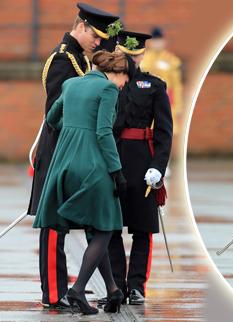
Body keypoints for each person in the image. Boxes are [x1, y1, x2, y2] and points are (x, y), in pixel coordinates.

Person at [28, 2, 119, 310]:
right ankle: (53, 293)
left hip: (74, 153)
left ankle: (97, 287)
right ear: (80, 26)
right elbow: (57, 113)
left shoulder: (80, 59)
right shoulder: (62, 60)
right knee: (54, 226)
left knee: (88, 222)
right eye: (95, 35)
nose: (99, 42)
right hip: (59, 151)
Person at [101, 30, 173, 306]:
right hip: (114, 156)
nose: (131, 59)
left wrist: (158, 167)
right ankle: (116, 284)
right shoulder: (109, 84)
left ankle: (137, 285)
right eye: (126, 54)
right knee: (111, 225)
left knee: (142, 228)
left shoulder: (154, 86)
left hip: (143, 159)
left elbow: (164, 132)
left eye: (135, 54)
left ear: (142, 54)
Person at [140, 27, 183, 136]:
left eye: (159, 40)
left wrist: (178, 106)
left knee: (166, 134)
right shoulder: (143, 60)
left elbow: (176, 86)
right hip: (147, 104)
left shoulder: (171, 60)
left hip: (167, 104)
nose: (157, 43)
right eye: (155, 40)